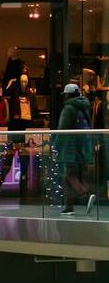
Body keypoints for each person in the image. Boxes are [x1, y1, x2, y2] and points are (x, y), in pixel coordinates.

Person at [54, 82, 96, 216]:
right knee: (69, 177)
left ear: (68, 95)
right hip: (83, 146)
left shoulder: (68, 108)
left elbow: (62, 129)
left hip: (70, 147)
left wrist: (56, 146)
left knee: (69, 174)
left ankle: (84, 193)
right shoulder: (83, 107)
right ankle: (68, 207)